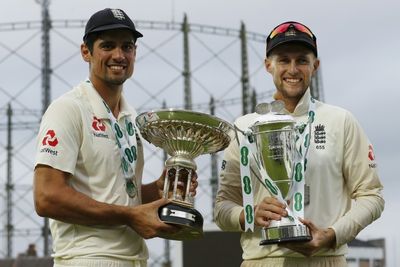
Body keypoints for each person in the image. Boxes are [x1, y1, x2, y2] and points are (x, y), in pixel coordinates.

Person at [33, 8, 196, 267]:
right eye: (107, 45)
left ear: (135, 53)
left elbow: (122, 196)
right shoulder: (68, 109)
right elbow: (46, 196)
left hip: (134, 258)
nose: (119, 55)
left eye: (127, 46)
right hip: (87, 258)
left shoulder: (130, 117)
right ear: (86, 51)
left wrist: (160, 188)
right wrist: (130, 215)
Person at [214, 21, 384, 267]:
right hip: (260, 260)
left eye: (302, 60)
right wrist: (247, 215)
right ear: (268, 65)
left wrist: (332, 235)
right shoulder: (243, 127)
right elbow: (222, 207)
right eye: (283, 60)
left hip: (326, 258)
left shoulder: (340, 120)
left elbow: (372, 196)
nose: (293, 69)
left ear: (315, 66)